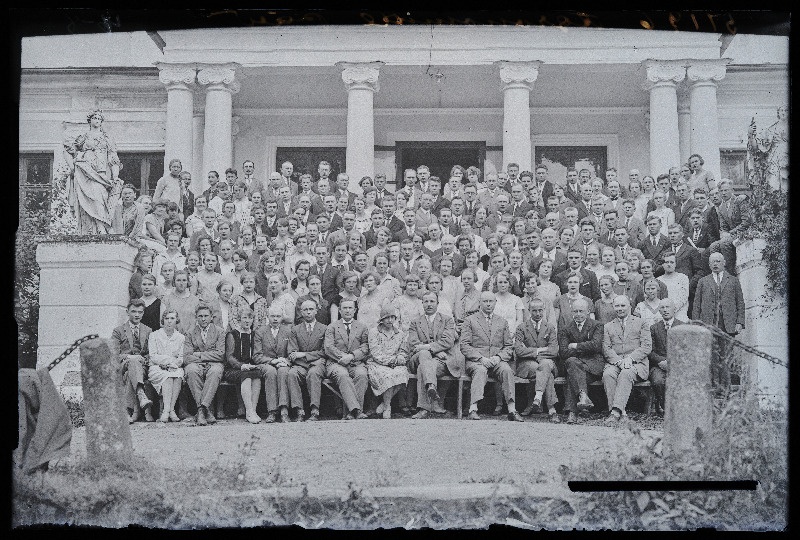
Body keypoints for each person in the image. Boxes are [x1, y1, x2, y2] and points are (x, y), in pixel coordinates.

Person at [460, 291, 522, 421]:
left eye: (491, 301)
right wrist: (481, 358)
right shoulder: (470, 321)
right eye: (485, 301)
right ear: (480, 303)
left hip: (496, 360)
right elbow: (464, 345)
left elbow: (508, 346)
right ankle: (473, 409)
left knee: (506, 370)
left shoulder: (502, 322)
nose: (488, 304)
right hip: (476, 361)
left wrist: (498, 357)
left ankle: (512, 409)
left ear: (495, 303)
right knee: (480, 370)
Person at [62, 110, 124, 234]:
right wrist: (72, 167)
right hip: (85, 173)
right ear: (90, 120)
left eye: (99, 118)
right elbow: (67, 150)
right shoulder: (83, 137)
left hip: (101, 174)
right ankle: (95, 229)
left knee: (100, 198)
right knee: (89, 199)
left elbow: (113, 158)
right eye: (94, 118)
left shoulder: (107, 138)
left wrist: (115, 176)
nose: (97, 120)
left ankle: (101, 226)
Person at [692, 252, 745, 395]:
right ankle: (714, 388)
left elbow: (740, 302)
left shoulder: (733, 280)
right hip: (709, 325)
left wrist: (740, 322)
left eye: (718, 261)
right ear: (709, 264)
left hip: (728, 325)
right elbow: (696, 304)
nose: (715, 264)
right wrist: (697, 324)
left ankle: (726, 390)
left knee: (726, 357)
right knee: (712, 357)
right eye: (713, 262)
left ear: (724, 263)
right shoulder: (703, 281)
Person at [602, 295, 653, 424]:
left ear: (630, 306)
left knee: (626, 373)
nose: (620, 309)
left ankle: (614, 413)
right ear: (613, 307)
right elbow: (606, 349)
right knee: (608, 374)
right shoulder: (608, 326)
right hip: (615, 362)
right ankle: (622, 412)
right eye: (617, 306)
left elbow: (646, 347)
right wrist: (619, 361)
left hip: (637, 364)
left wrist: (631, 359)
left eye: (623, 305)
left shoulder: (641, 323)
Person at [558, 298, 604, 424]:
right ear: (572, 312)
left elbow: (596, 346)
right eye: (575, 311)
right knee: (572, 363)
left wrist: (575, 346)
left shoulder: (597, 325)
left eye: (581, 311)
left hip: (592, 366)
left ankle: (572, 412)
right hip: (575, 365)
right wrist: (586, 347)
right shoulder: (565, 329)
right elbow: (563, 353)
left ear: (588, 311)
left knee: (572, 373)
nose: (578, 314)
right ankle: (582, 398)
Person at [109, 299, 157, 423]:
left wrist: (142, 359)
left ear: (143, 313)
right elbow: (113, 354)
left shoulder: (148, 330)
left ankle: (127, 412)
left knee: (131, 374)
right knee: (132, 363)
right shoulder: (118, 331)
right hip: (124, 364)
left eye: (140, 312)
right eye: (133, 311)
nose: (137, 315)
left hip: (142, 367)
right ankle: (141, 394)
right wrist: (129, 357)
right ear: (127, 312)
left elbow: (150, 354)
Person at [514, 299, 560, 421]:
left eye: (540, 310)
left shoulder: (549, 328)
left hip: (546, 362)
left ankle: (537, 398)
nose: (538, 313)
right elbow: (518, 350)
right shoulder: (522, 328)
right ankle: (552, 410)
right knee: (545, 371)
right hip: (527, 364)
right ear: (529, 311)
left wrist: (529, 350)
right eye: (534, 311)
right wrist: (539, 351)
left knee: (544, 365)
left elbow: (554, 350)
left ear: (544, 310)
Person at [323, 299, 370, 419]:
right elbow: (328, 347)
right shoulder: (332, 327)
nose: (347, 310)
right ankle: (356, 410)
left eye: (350, 308)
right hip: (336, 362)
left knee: (362, 375)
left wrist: (352, 356)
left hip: (356, 362)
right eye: (344, 308)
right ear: (339, 310)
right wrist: (343, 357)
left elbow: (365, 347)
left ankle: (350, 413)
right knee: (343, 375)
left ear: (354, 310)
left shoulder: (362, 327)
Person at [183, 304, 226, 426]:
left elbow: (221, 355)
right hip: (195, 365)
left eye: (206, 316)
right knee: (191, 370)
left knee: (215, 371)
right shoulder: (190, 333)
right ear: (196, 317)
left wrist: (200, 355)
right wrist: (205, 356)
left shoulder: (219, 332)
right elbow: (186, 357)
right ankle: (205, 410)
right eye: (200, 316)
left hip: (214, 364)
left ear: (211, 317)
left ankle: (201, 410)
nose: (203, 319)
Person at [287, 300, 329, 421]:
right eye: (305, 310)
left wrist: (303, 354)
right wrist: (309, 359)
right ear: (301, 312)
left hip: (318, 365)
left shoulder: (324, 328)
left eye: (311, 309)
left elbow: (324, 352)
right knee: (291, 374)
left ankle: (315, 410)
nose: (308, 312)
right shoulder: (295, 330)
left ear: (316, 311)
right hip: (302, 365)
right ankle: (299, 410)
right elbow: (292, 353)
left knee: (313, 373)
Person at [249, 305, 292, 423]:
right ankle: (272, 411)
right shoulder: (260, 332)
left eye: (278, 316)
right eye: (272, 316)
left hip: (282, 363)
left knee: (283, 371)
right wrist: (273, 361)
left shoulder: (288, 331)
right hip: (265, 364)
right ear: (268, 317)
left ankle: (284, 410)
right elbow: (257, 356)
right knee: (271, 371)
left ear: (282, 317)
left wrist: (284, 361)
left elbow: (292, 352)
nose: (275, 319)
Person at [366, 305, 410, 419]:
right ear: (381, 319)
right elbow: (376, 354)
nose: (390, 320)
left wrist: (401, 356)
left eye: (392, 317)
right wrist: (394, 360)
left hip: (395, 364)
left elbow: (404, 350)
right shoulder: (374, 332)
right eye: (387, 317)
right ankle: (388, 407)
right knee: (388, 375)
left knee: (403, 373)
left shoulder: (400, 333)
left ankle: (384, 404)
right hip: (377, 364)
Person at [221, 307, 261, 424]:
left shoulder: (254, 335)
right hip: (233, 369)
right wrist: (240, 365)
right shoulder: (232, 335)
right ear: (239, 319)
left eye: (250, 318)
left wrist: (252, 365)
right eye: (244, 318)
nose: (247, 321)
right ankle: (249, 411)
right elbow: (229, 357)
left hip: (249, 367)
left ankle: (253, 410)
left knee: (257, 375)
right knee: (247, 375)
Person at [147, 309, 186, 423]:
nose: (169, 321)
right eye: (166, 318)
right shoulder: (154, 335)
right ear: (163, 320)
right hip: (156, 367)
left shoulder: (181, 337)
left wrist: (174, 364)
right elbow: (153, 356)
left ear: (176, 321)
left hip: (174, 367)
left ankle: (170, 409)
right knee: (167, 376)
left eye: (172, 318)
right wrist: (169, 361)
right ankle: (168, 411)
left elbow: (181, 358)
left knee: (178, 375)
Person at [648, 298, 682, 415]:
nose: (665, 310)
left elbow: (686, 350)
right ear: (659, 310)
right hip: (659, 365)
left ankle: (680, 408)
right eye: (662, 308)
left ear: (674, 309)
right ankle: (666, 407)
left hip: (678, 364)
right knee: (658, 381)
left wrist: (673, 363)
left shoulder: (683, 327)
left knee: (681, 381)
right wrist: (661, 361)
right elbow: (650, 351)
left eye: (668, 307)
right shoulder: (654, 328)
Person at [657, 252, 690, 321]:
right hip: (663, 316)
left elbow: (683, 298)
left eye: (672, 262)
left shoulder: (683, 278)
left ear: (675, 264)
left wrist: (672, 310)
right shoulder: (658, 280)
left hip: (680, 316)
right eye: (666, 262)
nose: (669, 264)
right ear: (663, 264)